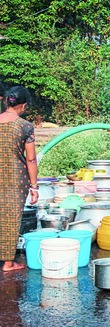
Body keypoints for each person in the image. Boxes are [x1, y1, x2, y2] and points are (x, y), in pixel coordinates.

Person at [0, 86, 39, 271]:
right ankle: (8, 262)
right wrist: (34, 186)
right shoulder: (25, 126)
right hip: (15, 178)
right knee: (10, 217)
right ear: (22, 106)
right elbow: (30, 158)